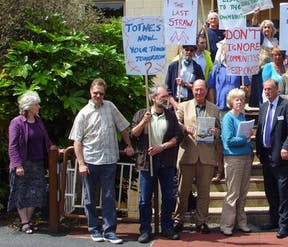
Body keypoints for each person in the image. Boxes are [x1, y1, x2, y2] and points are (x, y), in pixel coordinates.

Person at [69, 78, 134, 244]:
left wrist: (128, 145)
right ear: (90, 92)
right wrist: (81, 163)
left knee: (108, 197)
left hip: (109, 160)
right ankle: (94, 229)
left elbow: (123, 127)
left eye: (101, 93)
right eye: (96, 93)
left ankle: (110, 231)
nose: (98, 95)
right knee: (89, 198)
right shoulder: (83, 113)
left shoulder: (110, 106)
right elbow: (77, 142)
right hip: (90, 161)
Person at [131, 85, 184, 243]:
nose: (166, 99)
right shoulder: (142, 114)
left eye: (167, 96)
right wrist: (143, 122)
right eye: (163, 96)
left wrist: (162, 147)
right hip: (147, 162)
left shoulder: (170, 116)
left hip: (166, 161)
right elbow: (133, 134)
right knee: (145, 199)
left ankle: (167, 227)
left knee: (168, 196)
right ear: (154, 98)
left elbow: (177, 137)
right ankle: (145, 230)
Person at [173, 79, 221, 234]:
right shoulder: (183, 106)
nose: (199, 92)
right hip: (188, 154)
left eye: (201, 89)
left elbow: (219, 129)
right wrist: (184, 128)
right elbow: (175, 125)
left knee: (204, 192)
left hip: (206, 156)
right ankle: (178, 220)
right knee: (183, 191)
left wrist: (216, 132)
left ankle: (201, 221)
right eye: (196, 90)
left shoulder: (214, 109)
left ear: (206, 90)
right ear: (192, 90)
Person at [8, 91, 56, 234]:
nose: (39, 106)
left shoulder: (38, 120)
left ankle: (27, 221)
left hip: (37, 163)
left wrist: (54, 150)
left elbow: (45, 140)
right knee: (21, 192)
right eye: (37, 104)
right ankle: (24, 222)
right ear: (29, 106)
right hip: (23, 163)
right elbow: (13, 145)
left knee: (36, 192)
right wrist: (17, 165)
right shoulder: (17, 122)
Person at [255, 79, 288, 239]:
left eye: (270, 89)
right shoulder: (264, 106)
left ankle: (284, 224)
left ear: (277, 90)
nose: (267, 92)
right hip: (266, 156)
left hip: (280, 156)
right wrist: (258, 150)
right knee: (270, 190)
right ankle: (273, 220)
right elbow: (261, 129)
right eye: (265, 89)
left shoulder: (286, 106)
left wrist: (286, 147)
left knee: (282, 192)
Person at [207, 45, 250, 183]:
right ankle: (220, 169)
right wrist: (213, 106)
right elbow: (211, 87)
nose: (228, 53)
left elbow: (247, 87)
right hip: (220, 107)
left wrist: (245, 89)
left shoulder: (240, 68)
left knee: (236, 135)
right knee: (219, 139)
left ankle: (234, 164)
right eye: (226, 50)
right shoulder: (217, 68)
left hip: (236, 108)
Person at [219, 89, 253, 236]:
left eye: (242, 99)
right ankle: (226, 224)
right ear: (231, 102)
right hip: (233, 159)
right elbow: (228, 140)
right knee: (233, 193)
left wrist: (248, 137)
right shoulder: (228, 118)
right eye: (237, 100)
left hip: (245, 157)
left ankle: (241, 222)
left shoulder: (242, 117)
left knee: (243, 192)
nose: (239, 102)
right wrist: (245, 139)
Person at [165, 45, 205, 109]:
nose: (189, 52)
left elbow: (201, 87)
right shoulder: (173, 66)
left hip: (190, 103)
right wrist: (175, 104)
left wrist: (185, 84)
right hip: (175, 102)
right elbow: (167, 88)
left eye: (191, 50)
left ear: (194, 52)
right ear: (182, 50)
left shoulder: (197, 68)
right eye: (186, 49)